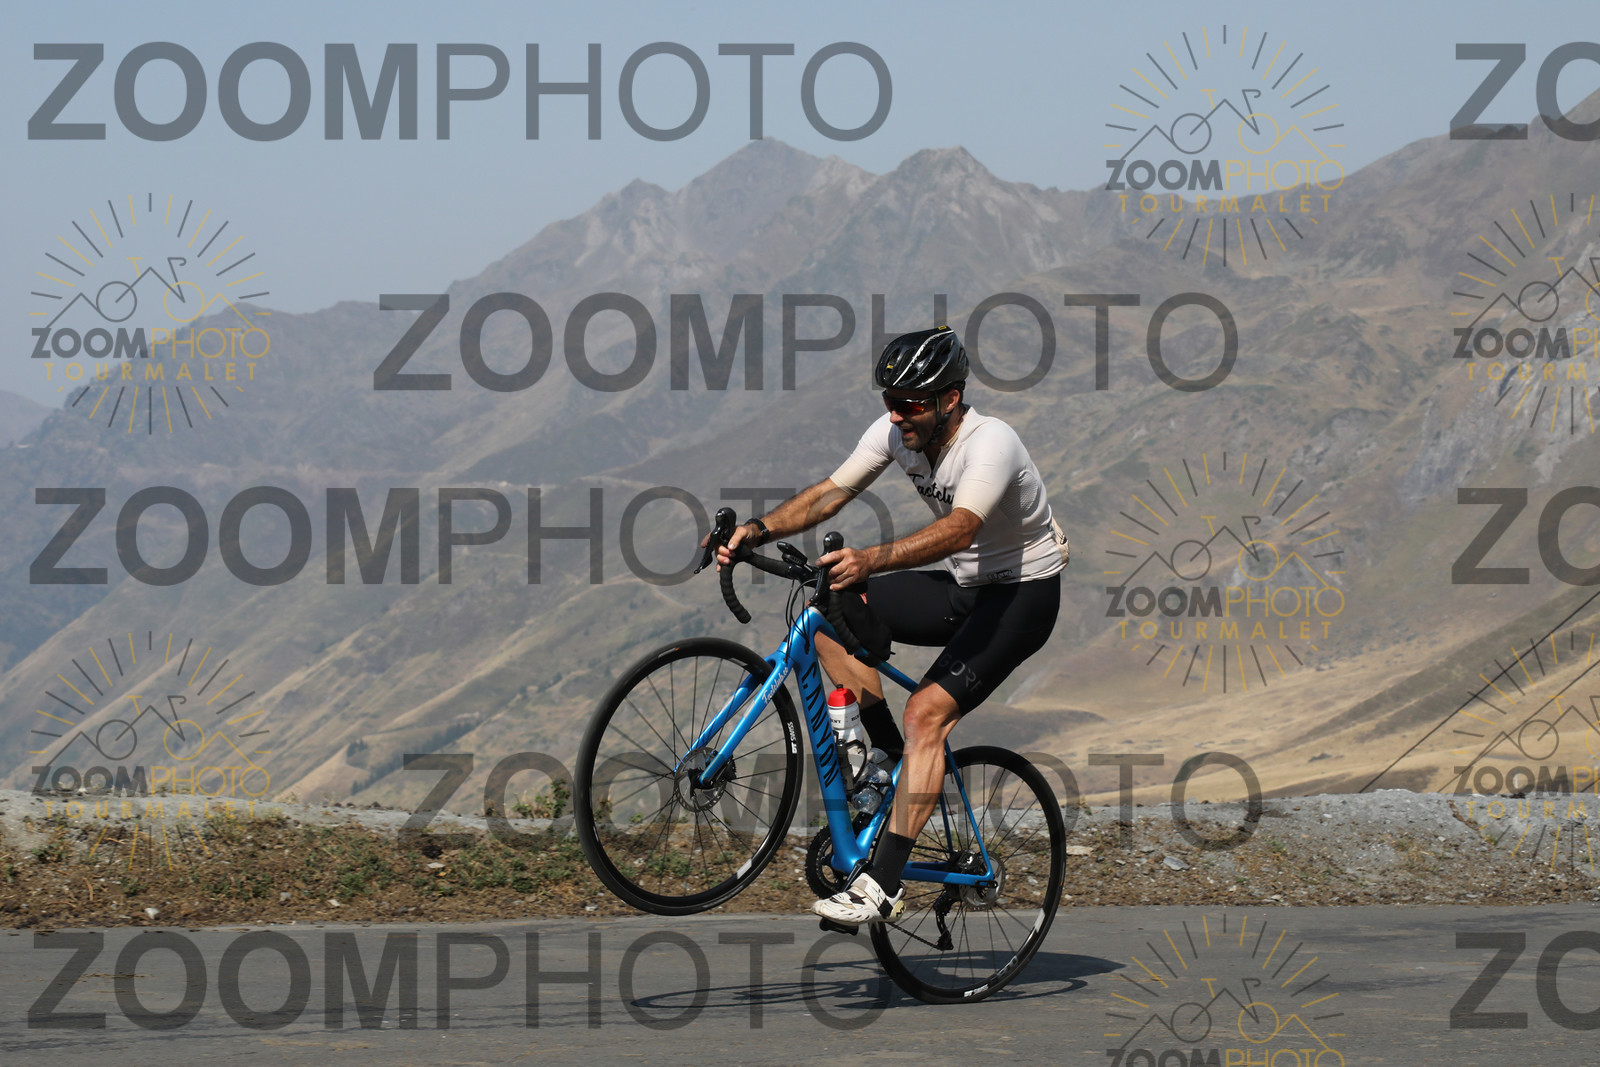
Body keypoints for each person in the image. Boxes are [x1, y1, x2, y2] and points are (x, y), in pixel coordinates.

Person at [716, 324, 1065, 926]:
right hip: (965, 588)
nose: (897, 414)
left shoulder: (991, 443)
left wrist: (871, 559)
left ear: (949, 399)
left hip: (1023, 596)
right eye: (890, 401)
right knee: (827, 609)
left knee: (926, 712)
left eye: (910, 403)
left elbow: (960, 529)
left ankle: (882, 884)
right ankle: (884, 760)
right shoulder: (897, 433)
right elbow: (830, 493)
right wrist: (758, 529)